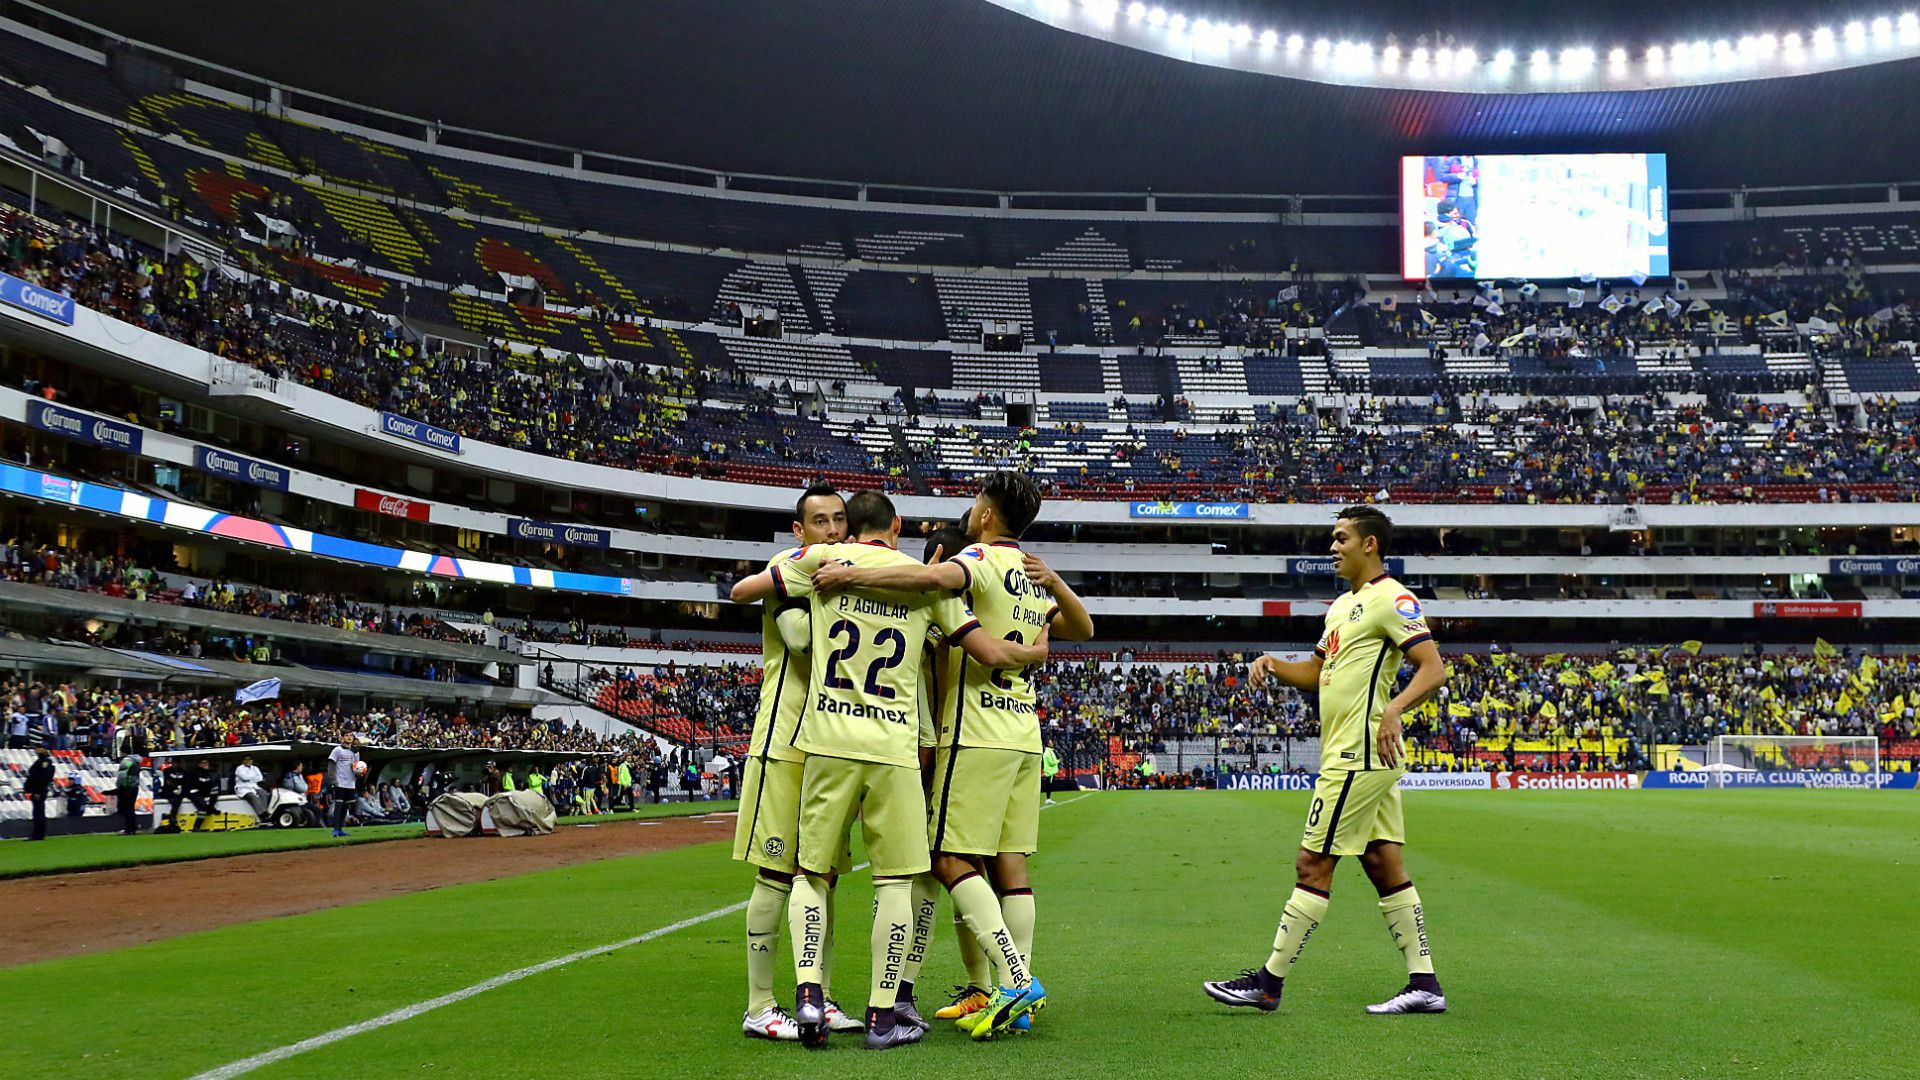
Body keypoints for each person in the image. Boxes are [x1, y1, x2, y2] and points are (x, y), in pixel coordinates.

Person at [730, 488, 1049, 1049]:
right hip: (896, 746)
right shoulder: (922, 576)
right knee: (897, 882)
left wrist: (800, 570)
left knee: (808, 872)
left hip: (824, 738)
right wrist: (1035, 650)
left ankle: (808, 994)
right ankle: (885, 1014)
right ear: (898, 525)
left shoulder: (822, 561)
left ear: (848, 528)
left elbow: (740, 592)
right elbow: (990, 652)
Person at [811, 471, 1095, 1035]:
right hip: (1023, 736)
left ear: (987, 515)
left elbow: (930, 577)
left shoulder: (982, 562)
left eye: (975, 502)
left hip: (975, 732)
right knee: (1009, 866)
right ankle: (1008, 997)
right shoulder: (1031, 578)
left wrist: (850, 570)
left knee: (944, 858)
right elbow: (1084, 628)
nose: (970, 510)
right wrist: (1054, 592)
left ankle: (1013, 980)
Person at [1204, 506, 1451, 1016]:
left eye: (1341, 538)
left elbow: (1433, 668)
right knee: (1384, 864)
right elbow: (1318, 672)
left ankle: (1268, 984)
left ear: (1371, 545)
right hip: (1355, 752)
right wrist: (1273, 664)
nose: (1332, 547)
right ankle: (1425, 984)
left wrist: (1394, 711)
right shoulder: (1342, 606)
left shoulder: (1393, 599)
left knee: (1312, 862)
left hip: (1359, 753)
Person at [726, 484, 855, 1042]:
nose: (831, 530)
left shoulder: (848, 570)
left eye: (839, 521)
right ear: (800, 532)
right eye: (819, 521)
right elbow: (801, 640)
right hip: (783, 740)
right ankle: (759, 1006)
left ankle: (818, 998)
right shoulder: (790, 566)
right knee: (776, 873)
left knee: (822, 876)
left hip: (833, 745)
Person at [327, 734, 361, 838]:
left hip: (350, 783)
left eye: (351, 736)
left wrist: (359, 773)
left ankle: (340, 829)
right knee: (338, 806)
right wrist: (332, 779)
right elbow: (331, 765)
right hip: (340, 782)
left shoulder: (355, 752)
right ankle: (335, 829)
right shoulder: (337, 750)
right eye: (346, 735)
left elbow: (356, 767)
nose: (349, 737)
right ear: (342, 738)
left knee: (345, 807)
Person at [24, 746, 55, 841]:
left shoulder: (45, 762)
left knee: (39, 813)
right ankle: (38, 834)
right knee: (38, 812)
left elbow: (42, 778)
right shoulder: (41, 761)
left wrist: (37, 791)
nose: (37, 750)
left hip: (39, 790)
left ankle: (38, 835)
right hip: (37, 790)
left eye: (39, 748)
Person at [116, 750, 143, 834]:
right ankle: (133, 828)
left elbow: (122, 774)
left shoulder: (127, 760)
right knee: (130, 808)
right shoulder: (137, 761)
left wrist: (118, 785)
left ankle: (129, 829)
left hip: (126, 787)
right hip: (134, 787)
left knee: (124, 808)